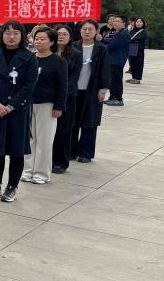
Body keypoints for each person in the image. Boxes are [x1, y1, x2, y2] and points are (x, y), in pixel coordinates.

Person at [0, 21, 38, 203]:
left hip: (17, 109)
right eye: (7, 33)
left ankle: (12, 186)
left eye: (15, 33)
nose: (11, 37)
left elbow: (29, 84)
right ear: (1, 35)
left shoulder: (29, 57)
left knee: (16, 150)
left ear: (22, 36)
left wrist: (12, 105)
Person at [21, 26, 68, 185]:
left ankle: (41, 173)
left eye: (43, 39)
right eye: (36, 38)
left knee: (44, 141)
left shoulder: (58, 61)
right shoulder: (29, 58)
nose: (38, 41)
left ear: (52, 42)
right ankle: (27, 171)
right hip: (28, 104)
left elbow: (62, 86)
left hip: (47, 105)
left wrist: (59, 106)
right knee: (29, 140)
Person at [71, 19, 111, 163]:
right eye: (84, 29)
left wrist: (103, 89)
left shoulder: (101, 49)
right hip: (74, 90)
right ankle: (70, 151)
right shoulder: (73, 46)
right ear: (80, 31)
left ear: (96, 31)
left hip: (92, 90)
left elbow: (105, 69)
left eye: (90, 29)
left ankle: (85, 153)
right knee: (71, 122)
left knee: (90, 122)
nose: (87, 32)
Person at [52, 24, 81, 174]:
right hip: (47, 98)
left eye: (65, 34)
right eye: (58, 33)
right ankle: (46, 160)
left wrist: (60, 96)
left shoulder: (76, 54)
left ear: (70, 38)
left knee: (63, 131)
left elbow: (73, 79)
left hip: (67, 98)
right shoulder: (47, 52)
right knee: (47, 132)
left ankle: (60, 162)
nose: (61, 36)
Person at [104, 15, 130, 105]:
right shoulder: (118, 33)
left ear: (123, 23)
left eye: (117, 21)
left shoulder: (123, 34)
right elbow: (110, 43)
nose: (114, 22)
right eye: (114, 21)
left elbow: (112, 46)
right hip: (113, 60)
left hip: (117, 60)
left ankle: (118, 99)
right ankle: (112, 97)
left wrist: (101, 48)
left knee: (116, 80)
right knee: (112, 80)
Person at [128, 18, 147, 84]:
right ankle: (133, 78)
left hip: (139, 50)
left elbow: (140, 38)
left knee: (138, 64)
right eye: (137, 22)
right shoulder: (131, 31)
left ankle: (137, 79)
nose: (138, 23)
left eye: (140, 22)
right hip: (131, 49)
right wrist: (133, 40)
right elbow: (128, 37)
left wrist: (132, 39)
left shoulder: (143, 31)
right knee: (132, 63)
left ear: (143, 23)